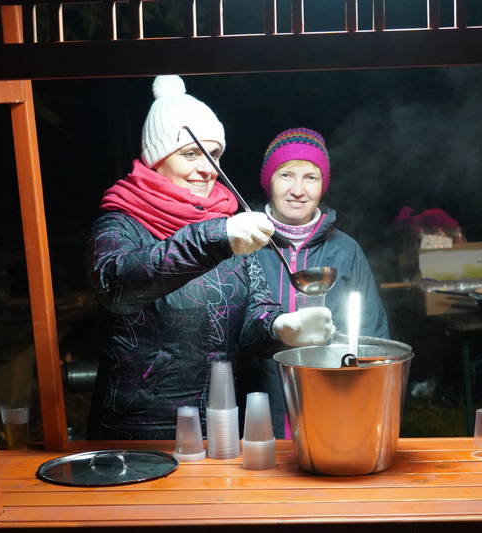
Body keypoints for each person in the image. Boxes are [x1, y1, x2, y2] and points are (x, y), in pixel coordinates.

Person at [86, 76, 334, 440]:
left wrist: (280, 327)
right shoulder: (121, 223)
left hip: (219, 425)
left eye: (214, 155)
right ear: (156, 158)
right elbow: (116, 285)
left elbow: (255, 312)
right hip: (136, 434)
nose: (207, 168)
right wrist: (215, 238)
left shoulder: (227, 223)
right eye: (191, 154)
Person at [239, 127, 390, 438]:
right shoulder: (242, 244)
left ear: (323, 185)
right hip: (255, 415)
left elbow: (372, 333)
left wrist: (370, 412)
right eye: (286, 175)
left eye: (310, 177)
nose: (298, 189)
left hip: (333, 411)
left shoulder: (345, 250)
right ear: (268, 181)